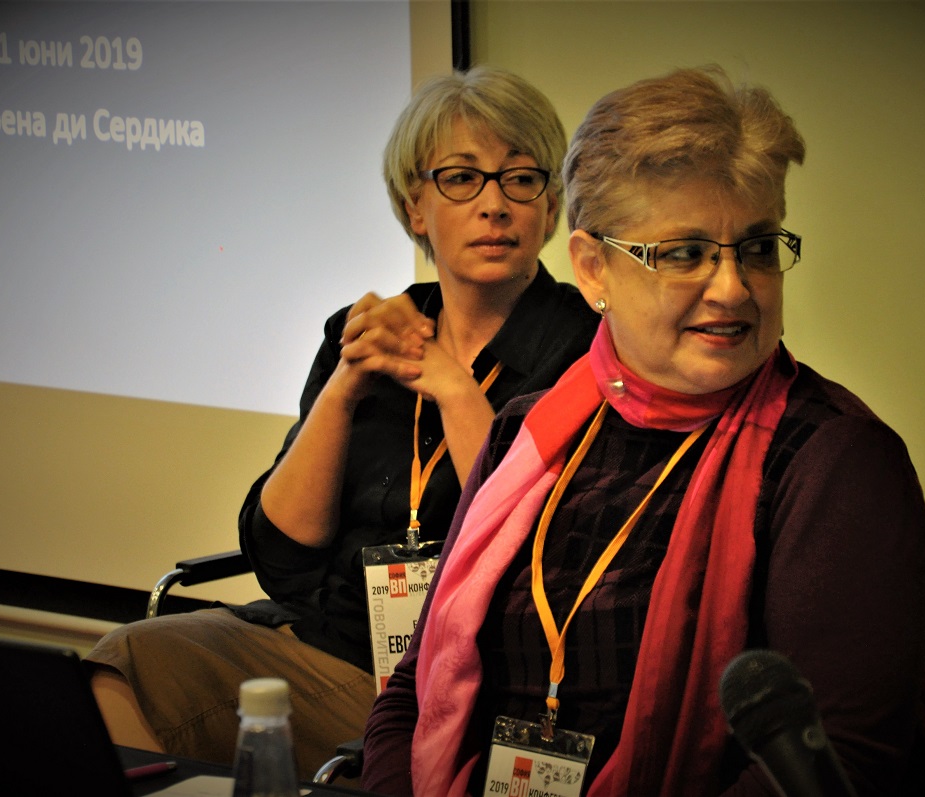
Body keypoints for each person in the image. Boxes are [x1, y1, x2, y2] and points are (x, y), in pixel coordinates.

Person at [360, 66, 925, 796]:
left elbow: (838, 762)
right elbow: (410, 693)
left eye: (758, 248)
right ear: (592, 268)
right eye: (685, 253)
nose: (732, 288)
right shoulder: (526, 428)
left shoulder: (837, 461)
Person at [85, 65, 599, 779]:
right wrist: (346, 385)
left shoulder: (586, 351)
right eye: (461, 178)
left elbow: (533, 558)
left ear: (550, 207)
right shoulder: (370, 332)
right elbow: (282, 556)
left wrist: (453, 388)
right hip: (328, 644)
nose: (494, 205)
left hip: (470, 677)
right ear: (415, 206)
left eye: (520, 179)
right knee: (121, 663)